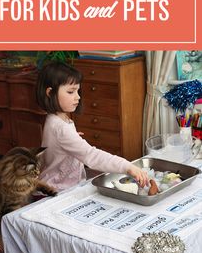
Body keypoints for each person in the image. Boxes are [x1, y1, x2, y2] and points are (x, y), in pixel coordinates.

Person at [36, 60, 149, 192]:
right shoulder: (61, 128)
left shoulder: (56, 119)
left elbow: (56, 145)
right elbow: (91, 156)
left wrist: (71, 139)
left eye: (78, 91)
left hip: (60, 185)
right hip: (57, 190)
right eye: (71, 92)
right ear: (50, 93)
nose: (77, 97)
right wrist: (127, 166)